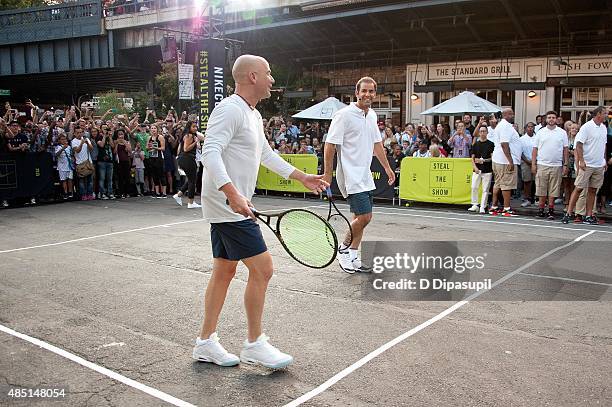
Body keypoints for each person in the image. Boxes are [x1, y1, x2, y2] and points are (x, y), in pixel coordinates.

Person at [193, 55, 328, 368]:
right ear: (252, 76)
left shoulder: (252, 114)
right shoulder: (229, 109)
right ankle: (254, 343)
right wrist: (233, 194)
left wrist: (302, 177)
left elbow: (266, 155)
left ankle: (205, 342)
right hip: (228, 205)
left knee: (224, 271)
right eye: (268, 73)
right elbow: (209, 154)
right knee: (264, 269)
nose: (272, 79)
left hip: (231, 203)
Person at [323, 76, 395, 273]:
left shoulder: (371, 115)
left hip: (365, 175)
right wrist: (327, 175)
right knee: (365, 217)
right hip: (350, 175)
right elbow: (330, 145)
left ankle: (353, 257)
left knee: (359, 217)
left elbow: (377, 144)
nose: (367, 94)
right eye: (364, 91)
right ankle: (343, 250)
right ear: (356, 93)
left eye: (371, 91)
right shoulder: (343, 115)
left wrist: (387, 168)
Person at [563, 106, 608, 224]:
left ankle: (588, 215)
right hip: (587, 164)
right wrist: (581, 161)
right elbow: (579, 144)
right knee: (578, 188)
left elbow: (604, 145)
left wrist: (604, 160)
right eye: (604, 113)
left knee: (593, 190)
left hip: (598, 164)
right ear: (598, 114)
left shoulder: (603, 128)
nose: (606, 115)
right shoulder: (586, 127)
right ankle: (568, 213)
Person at [531, 111, 569, 220]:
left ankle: (551, 211)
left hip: (557, 165)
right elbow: (535, 149)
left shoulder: (562, 132)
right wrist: (533, 164)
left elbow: (565, 149)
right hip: (542, 164)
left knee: (554, 189)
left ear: (556, 119)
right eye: (549, 117)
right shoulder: (540, 132)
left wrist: (565, 164)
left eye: (553, 117)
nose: (551, 119)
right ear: (546, 120)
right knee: (541, 188)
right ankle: (541, 209)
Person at [490, 108, 521, 216]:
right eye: (511, 114)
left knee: (498, 183)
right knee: (506, 185)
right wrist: (510, 161)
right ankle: (506, 208)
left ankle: (494, 207)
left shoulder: (502, 125)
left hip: (498, 159)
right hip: (504, 160)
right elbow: (504, 144)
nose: (513, 115)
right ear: (505, 115)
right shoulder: (505, 126)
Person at [174, 121, 204, 208]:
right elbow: (186, 149)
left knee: (192, 179)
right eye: (193, 127)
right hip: (188, 159)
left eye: (196, 127)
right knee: (192, 181)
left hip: (185, 159)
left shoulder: (189, 135)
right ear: (189, 127)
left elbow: (203, 138)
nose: (195, 128)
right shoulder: (189, 135)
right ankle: (191, 202)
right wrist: (195, 142)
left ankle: (179, 194)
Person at [468, 125, 495, 213]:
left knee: (485, 189)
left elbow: (492, 158)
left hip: (487, 170)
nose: (483, 133)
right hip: (477, 170)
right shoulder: (476, 144)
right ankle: (475, 204)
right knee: (474, 187)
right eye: (481, 131)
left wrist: (484, 160)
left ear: (487, 132)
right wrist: (475, 167)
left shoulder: (491, 144)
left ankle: (483, 206)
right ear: (479, 133)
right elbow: (472, 158)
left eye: (484, 131)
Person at [519, 122, 536, 207]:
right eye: (528, 127)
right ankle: (527, 198)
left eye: (532, 127)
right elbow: (520, 152)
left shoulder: (537, 138)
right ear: (525, 128)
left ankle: (535, 198)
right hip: (526, 162)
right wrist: (527, 161)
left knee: (536, 181)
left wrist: (534, 161)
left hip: (536, 162)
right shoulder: (522, 139)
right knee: (527, 181)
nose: (530, 128)